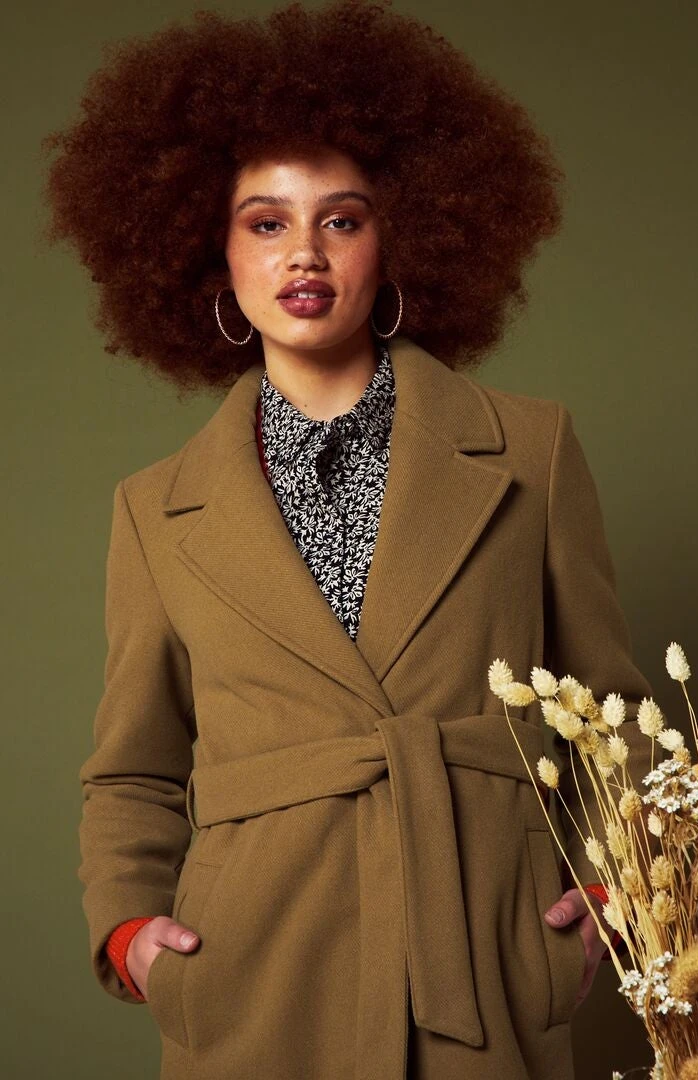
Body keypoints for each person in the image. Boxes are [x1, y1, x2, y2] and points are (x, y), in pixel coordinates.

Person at [44, 2, 652, 1077]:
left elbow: (615, 717)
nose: (304, 253)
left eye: (342, 219)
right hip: (254, 971)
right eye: (265, 223)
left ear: (400, 236)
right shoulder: (155, 508)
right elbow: (132, 769)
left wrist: (616, 895)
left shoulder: (531, 453)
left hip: (482, 955)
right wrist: (131, 931)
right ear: (210, 250)